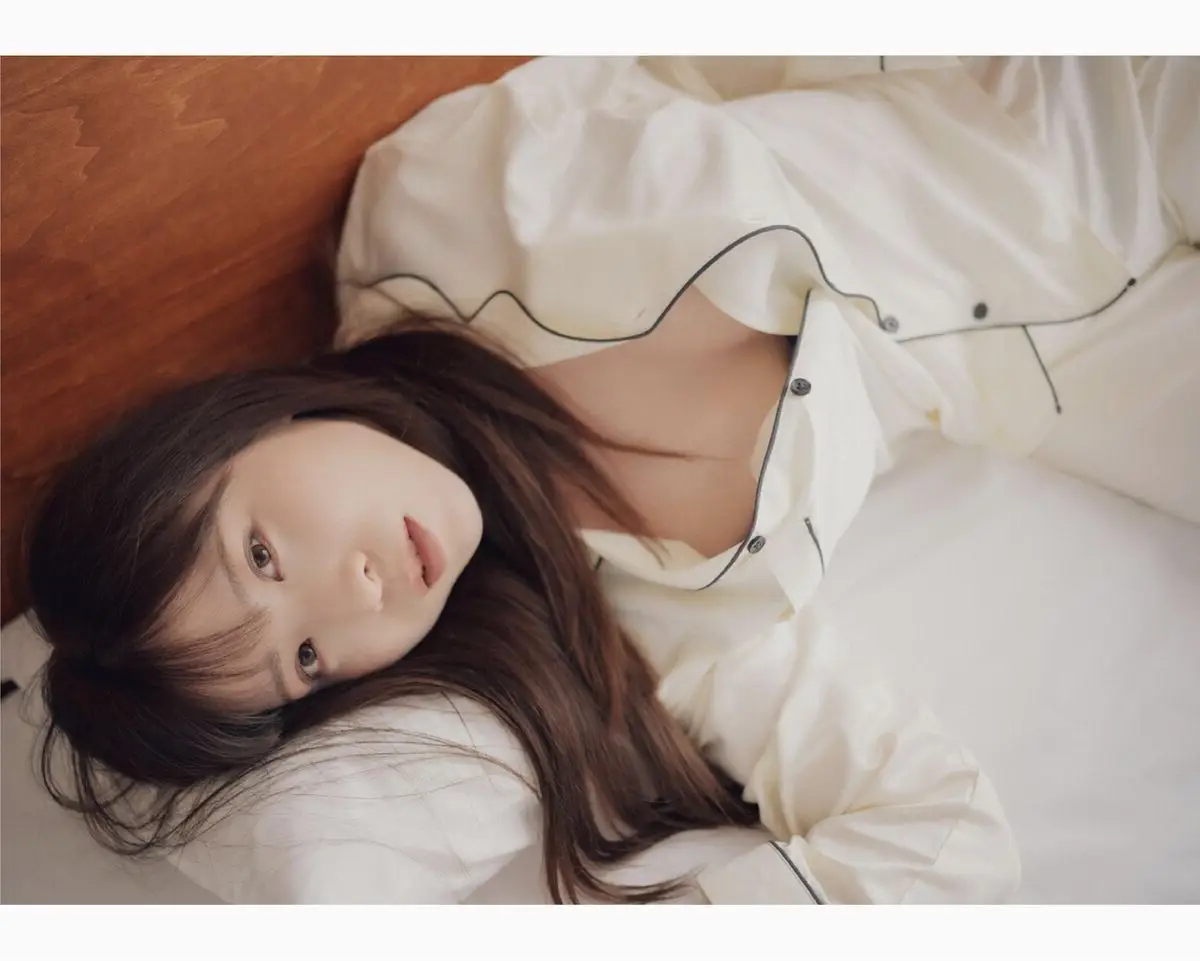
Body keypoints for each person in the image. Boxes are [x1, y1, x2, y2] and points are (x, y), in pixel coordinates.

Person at [25, 56, 1198, 905]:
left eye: (264, 555)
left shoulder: (435, 205)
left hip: (1092, 101)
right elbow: (940, 838)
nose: (360, 594)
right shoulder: (659, 631)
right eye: (309, 660)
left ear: (242, 425)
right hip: (1098, 363)